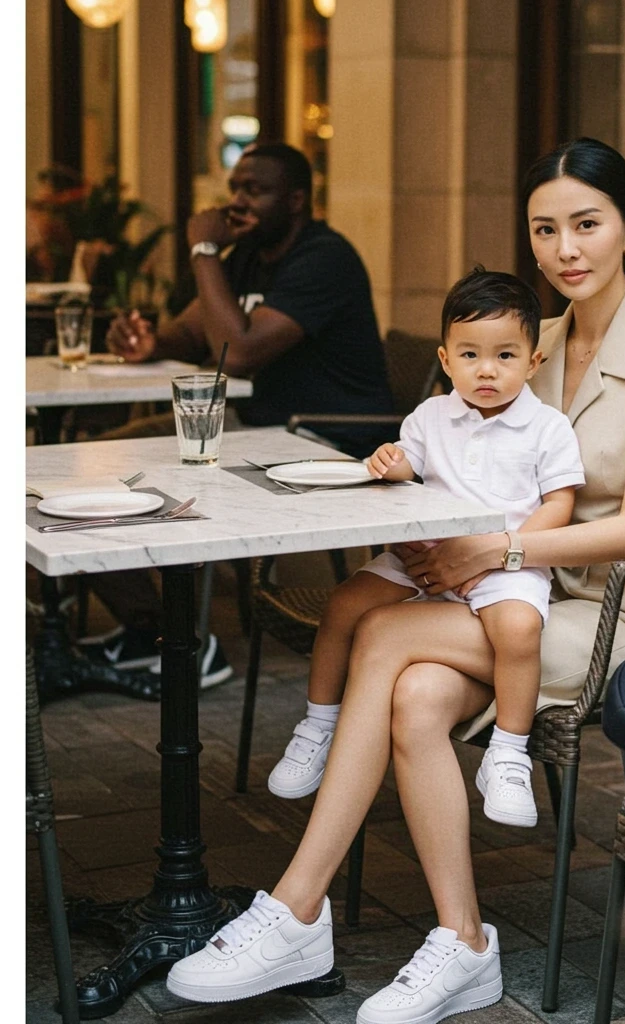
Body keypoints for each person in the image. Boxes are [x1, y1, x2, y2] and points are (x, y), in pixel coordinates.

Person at [166, 137, 625, 1021]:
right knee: (415, 694)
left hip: (616, 610)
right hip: (502, 596)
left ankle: (296, 908)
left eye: (587, 225)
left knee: (382, 633)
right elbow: (465, 462)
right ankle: (465, 943)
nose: (566, 249)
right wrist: (427, 517)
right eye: (545, 229)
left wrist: (493, 553)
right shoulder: (530, 341)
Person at [268, 268, 586, 830]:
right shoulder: (431, 416)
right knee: (344, 604)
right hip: (423, 556)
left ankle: (508, 752)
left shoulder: (548, 427)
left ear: (533, 361)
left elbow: (559, 504)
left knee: (518, 630)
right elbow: (406, 470)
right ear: (445, 359)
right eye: (470, 355)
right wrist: (390, 464)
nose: (486, 370)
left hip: (506, 563)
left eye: (505, 356)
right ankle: (319, 723)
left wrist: (509, 551)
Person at [80, 142, 394, 683]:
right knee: (95, 467)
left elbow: (240, 351)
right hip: (257, 430)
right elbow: (190, 331)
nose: (238, 202)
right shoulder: (247, 256)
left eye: (255, 190)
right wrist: (148, 342)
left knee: (138, 472)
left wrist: (203, 250)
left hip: (324, 440)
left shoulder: (324, 258)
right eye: (235, 188)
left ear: (296, 200)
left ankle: (182, 642)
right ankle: (156, 629)